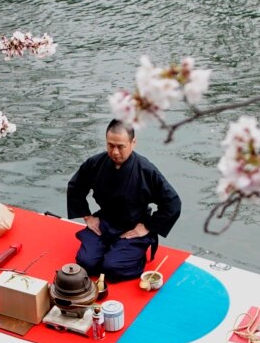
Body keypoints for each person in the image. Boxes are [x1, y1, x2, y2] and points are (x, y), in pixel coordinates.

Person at [66, 119, 181, 281]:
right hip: (104, 222)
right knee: (86, 263)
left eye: (121, 146)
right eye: (110, 145)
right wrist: (87, 216)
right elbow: (75, 187)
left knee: (111, 268)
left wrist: (148, 226)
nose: (115, 152)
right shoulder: (95, 163)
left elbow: (173, 203)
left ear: (133, 143)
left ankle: (136, 255)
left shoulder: (146, 171)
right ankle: (110, 249)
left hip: (133, 227)